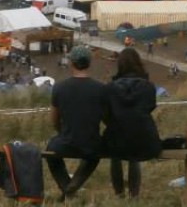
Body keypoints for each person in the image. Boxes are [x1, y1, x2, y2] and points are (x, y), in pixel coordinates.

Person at [46, 45, 107, 199]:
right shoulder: (101, 88)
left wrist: (62, 132)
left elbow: (54, 120)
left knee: (50, 151)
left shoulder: (60, 87)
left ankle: (66, 186)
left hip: (66, 141)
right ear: (89, 63)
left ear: (71, 62)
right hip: (91, 143)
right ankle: (73, 186)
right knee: (95, 156)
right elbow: (107, 118)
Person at [103, 47, 162, 198]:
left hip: (116, 136)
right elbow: (150, 107)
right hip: (144, 137)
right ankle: (134, 195)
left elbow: (105, 112)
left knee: (115, 157)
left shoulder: (110, 88)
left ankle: (119, 193)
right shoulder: (148, 86)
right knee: (134, 158)